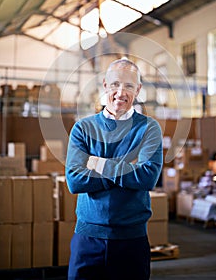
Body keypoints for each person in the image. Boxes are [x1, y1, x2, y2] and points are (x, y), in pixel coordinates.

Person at [65, 58, 163, 280]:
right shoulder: (83, 128)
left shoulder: (148, 129)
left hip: (131, 239)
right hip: (88, 238)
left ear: (138, 89)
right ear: (105, 85)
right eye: (115, 84)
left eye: (129, 85)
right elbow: (75, 180)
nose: (121, 92)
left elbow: (147, 178)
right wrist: (127, 171)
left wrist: (98, 163)